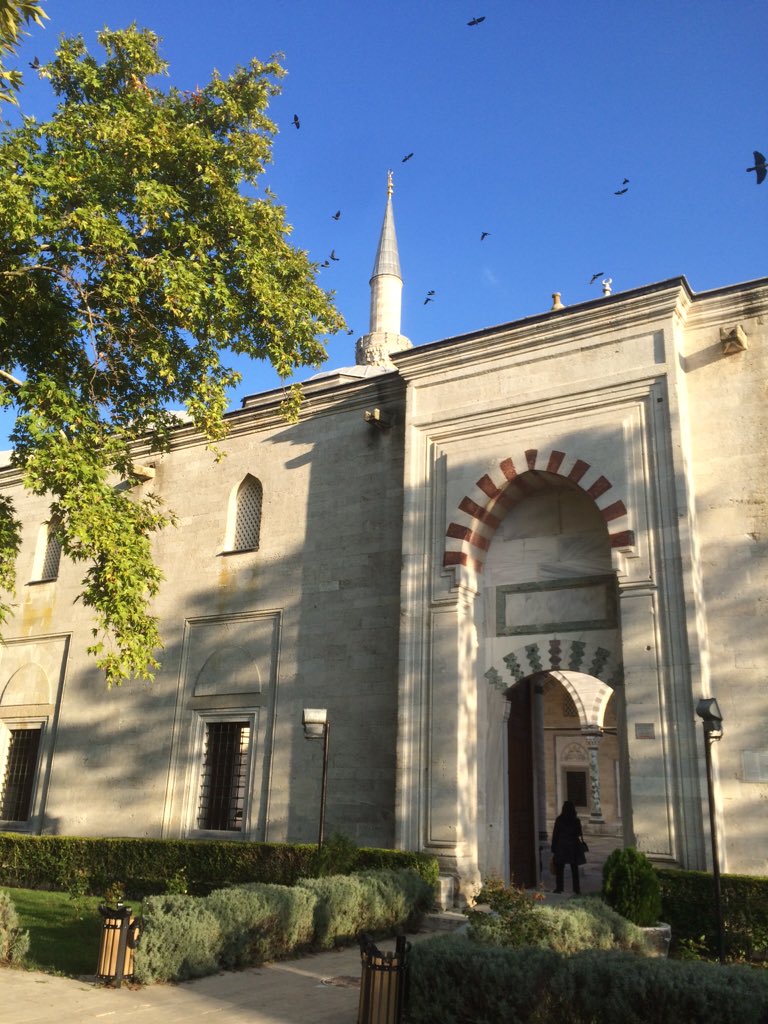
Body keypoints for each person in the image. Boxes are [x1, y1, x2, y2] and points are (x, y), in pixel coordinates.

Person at [550, 800, 584, 894]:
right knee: (574, 869)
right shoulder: (576, 820)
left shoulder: (559, 819)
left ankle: (559, 888)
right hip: (573, 846)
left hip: (561, 846)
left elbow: (555, 834)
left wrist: (553, 848)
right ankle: (576, 889)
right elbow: (579, 833)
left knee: (560, 869)